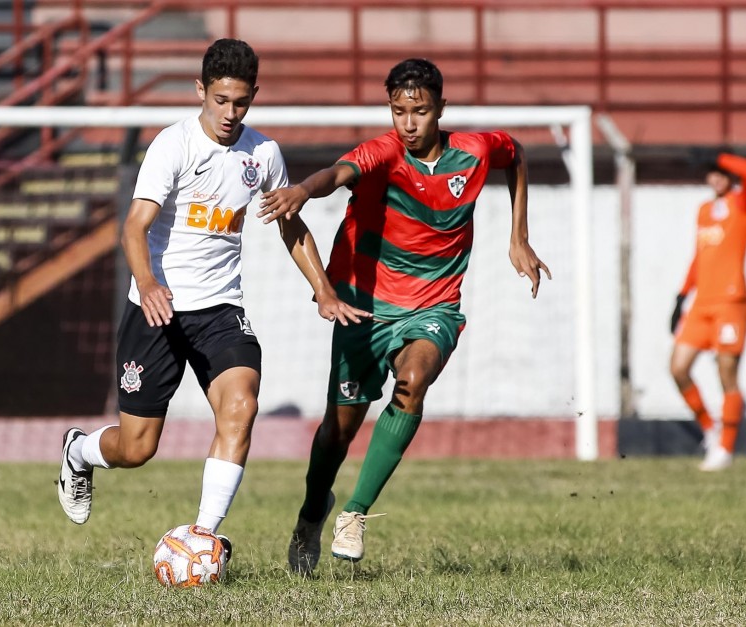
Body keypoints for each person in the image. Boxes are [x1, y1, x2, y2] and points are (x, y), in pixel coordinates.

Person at [56, 39, 367, 556]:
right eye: (220, 100)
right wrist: (150, 283)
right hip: (156, 310)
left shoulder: (263, 153)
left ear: (254, 97)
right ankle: (79, 452)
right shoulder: (171, 146)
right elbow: (134, 229)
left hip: (221, 311)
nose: (229, 113)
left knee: (241, 406)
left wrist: (323, 291)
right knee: (137, 449)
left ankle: (203, 538)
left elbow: (291, 226)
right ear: (200, 90)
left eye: (240, 102)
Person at [256, 58, 551, 575]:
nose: (408, 124)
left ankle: (355, 513)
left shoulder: (475, 152)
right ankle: (310, 515)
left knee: (413, 381)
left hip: (434, 304)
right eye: (398, 112)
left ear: (441, 108)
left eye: (419, 112)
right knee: (337, 434)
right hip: (363, 306)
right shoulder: (383, 153)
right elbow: (337, 174)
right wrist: (303, 189)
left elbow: (517, 154)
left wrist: (518, 235)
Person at [669, 151, 746, 472]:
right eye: (711, 172)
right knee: (678, 368)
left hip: (731, 303)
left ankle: (725, 449)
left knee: (726, 373)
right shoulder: (704, 210)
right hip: (702, 305)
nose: (716, 177)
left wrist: (721, 155)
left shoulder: (742, 202)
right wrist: (682, 294)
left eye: (721, 172)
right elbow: (699, 255)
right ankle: (710, 428)